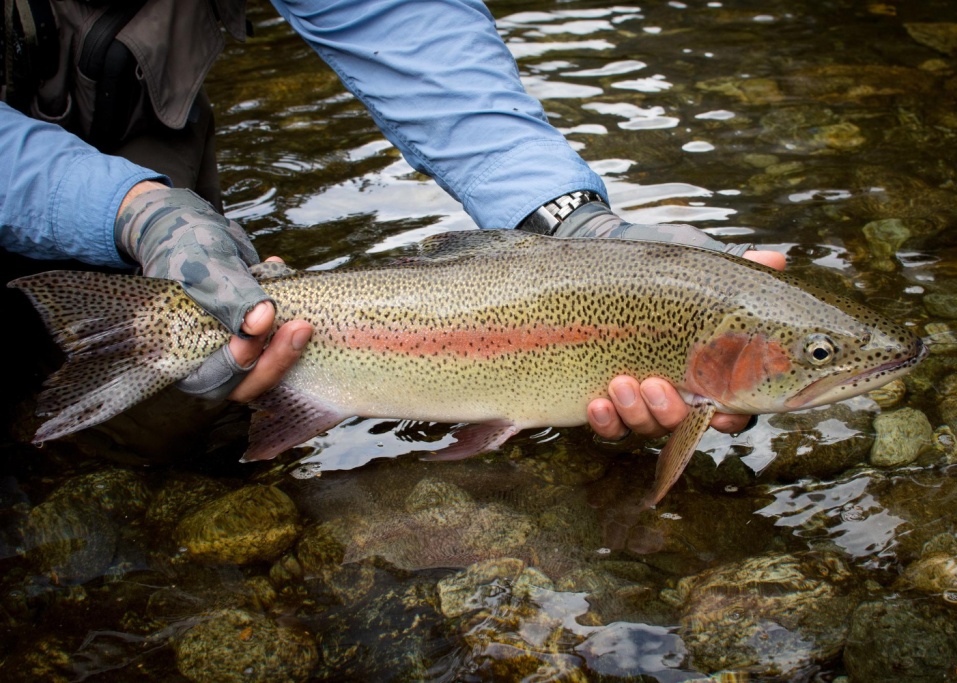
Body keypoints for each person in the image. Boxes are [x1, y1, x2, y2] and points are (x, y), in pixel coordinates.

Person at [0, 0, 784, 449]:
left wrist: (569, 218)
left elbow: (397, 17)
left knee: (177, 425)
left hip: (129, 113)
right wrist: (131, 209)